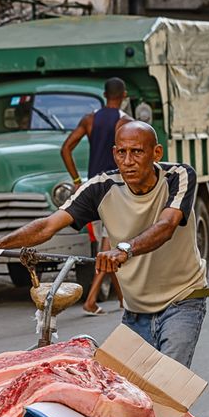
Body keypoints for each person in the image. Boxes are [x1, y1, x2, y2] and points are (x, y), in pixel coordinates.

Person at [0, 121, 209, 417]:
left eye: (137, 152)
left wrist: (125, 248)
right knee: (130, 398)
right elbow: (50, 224)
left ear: (155, 154)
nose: (127, 161)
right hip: (135, 309)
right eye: (120, 152)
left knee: (160, 399)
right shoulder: (102, 187)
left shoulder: (179, 177)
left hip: (183, 301)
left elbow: (169, 223)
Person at [61, 77, 132, 315]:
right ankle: (91, 301)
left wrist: (77, 181)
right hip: (115, 189)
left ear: (104, 94)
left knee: (107, 240)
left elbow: (66, 148)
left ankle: (123, 300)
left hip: (93, 188)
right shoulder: (125, 123)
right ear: (123, 95)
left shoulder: (89, 119)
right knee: (108, 244)